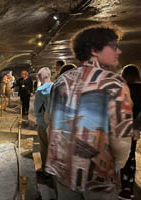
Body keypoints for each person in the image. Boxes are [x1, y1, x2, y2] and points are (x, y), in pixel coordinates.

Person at [45, 24, 139, 200]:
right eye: (113, 46)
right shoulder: (114, 85)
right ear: (95, 50)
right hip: (98, 178)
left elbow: (50, 126)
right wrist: (118, 165)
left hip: (63, 170)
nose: (118, 51)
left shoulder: (61, 82)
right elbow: (121, 142)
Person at [119, 64, 141, 200]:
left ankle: (122, 187)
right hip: (134, 129)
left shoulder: (123, 89)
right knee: (131, 155)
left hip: (122, 128)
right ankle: (129, 188)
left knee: (121, 157)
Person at [34, 67, 53, 170]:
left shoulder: (40, 91)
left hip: (43, 122)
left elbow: (37, 110)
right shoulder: (56, 87)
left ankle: (46, 169)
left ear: (41, 77)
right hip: (55, 123)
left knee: (44, 146)